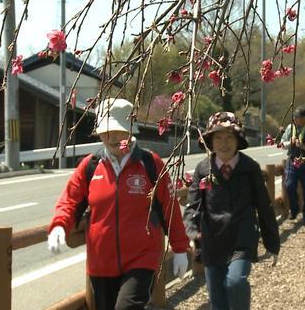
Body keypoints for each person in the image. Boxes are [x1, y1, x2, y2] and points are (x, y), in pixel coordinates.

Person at [47, 98, 189, 310]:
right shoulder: (90, 166)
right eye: (105, 131)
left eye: (117, 129)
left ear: (130, 130)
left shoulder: (150, 163)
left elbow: (170, 208)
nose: (111, 136)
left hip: (142, 259)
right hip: (101, 264)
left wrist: (180, 248)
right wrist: (59, 225)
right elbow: (69, 201)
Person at [184, 111, 280, 310]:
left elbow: (264, 206)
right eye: (218, 137)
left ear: (238, 140)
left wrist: (272, 243)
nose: (224, 143)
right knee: (218, 301)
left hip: (241, 239)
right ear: (210, 141)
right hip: (212, 241)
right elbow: (193, 205)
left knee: (235, 282)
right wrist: (193, 233)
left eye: (229, 137)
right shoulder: (203, 169)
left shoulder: (249, 168)